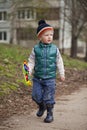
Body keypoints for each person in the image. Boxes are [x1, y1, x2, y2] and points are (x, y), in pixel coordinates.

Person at [28, 20, 65, 123]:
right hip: (37, 78)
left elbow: (59, 62)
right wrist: (29, 71)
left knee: (48, 97)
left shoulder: (55, 49)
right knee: (36, 96)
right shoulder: (35, 49)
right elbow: (31, 61)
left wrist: (62, 73)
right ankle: (41, 106)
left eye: (51, 35)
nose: (49, 37)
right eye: (46, 35)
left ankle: (49, 114)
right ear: (40, 37)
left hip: (50, 79)